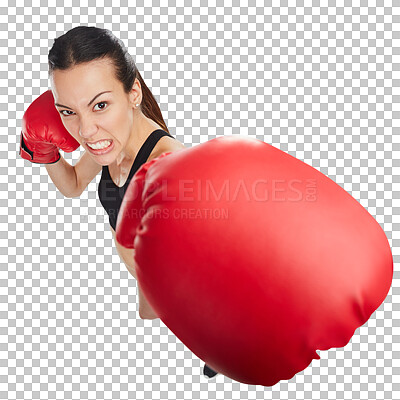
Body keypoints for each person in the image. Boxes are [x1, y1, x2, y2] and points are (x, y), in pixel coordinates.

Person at [20, 25, 218, 379]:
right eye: (68, 111)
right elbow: (75, 184)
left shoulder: (170, 169)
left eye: (100, 105)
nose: (84, 130)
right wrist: (45, 150)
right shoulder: (110, 140)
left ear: (133, 93)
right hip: (153, 295)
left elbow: (208, 262)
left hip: (188, 309)